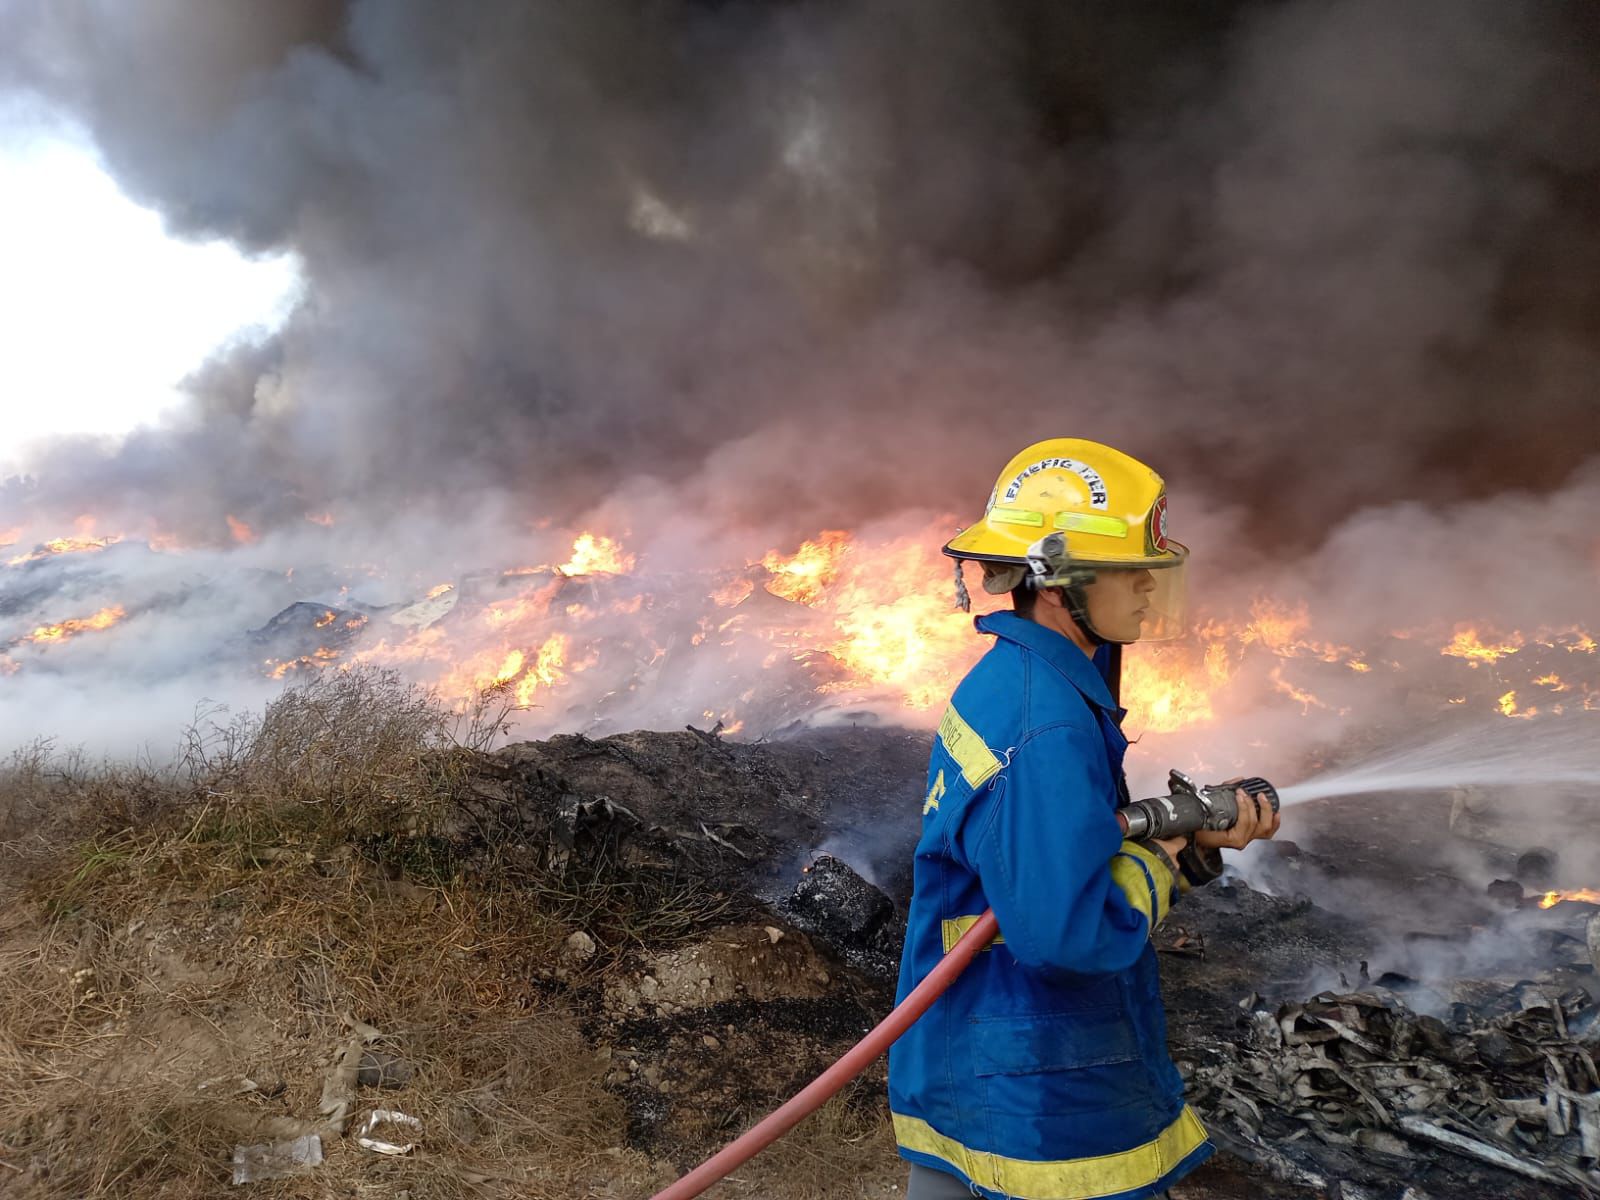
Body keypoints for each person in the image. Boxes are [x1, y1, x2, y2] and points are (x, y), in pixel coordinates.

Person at [889, 438, 1280, 1200]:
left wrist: (1188, 855)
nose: (1145, 591)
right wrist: (1166, 862)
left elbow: (1053, 861)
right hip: (1038, 1087)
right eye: (1128, 573)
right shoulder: (1047, 727)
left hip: (982, 1047)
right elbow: (1067, 937)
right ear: (1056, 583)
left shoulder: (1023, 680)